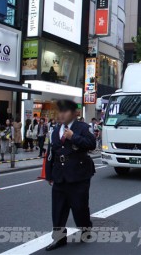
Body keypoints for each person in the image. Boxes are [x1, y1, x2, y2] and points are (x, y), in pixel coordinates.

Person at [45, 99, 96, 251]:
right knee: (58, 209)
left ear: (74, 114)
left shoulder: (82, 128)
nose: (61, 115)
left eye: (65, 111)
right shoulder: (55, 130)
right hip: (60, 175)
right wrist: (49, 173)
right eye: (60, 112)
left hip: (78, 175)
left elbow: (92, 144)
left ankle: (86, 228)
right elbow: (51, 152)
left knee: (79, 208)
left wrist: (73, 137)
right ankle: (59, 238)